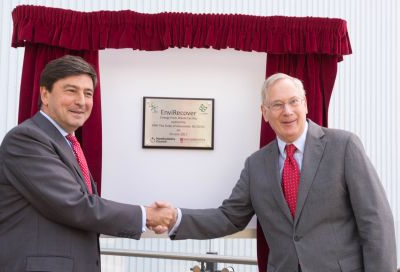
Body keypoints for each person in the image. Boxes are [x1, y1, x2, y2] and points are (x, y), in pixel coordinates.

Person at [156, 73, 397, 271]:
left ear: (305, 104)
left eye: (293, 101)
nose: (288, 111)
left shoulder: (343, 146)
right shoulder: (256, 164)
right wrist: (175, 218)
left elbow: (375, 220)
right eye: (277, 105)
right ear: (265, 112)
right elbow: (228, 217)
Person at [0, 55, 175, 271]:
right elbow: (74, 205)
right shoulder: (27, 139)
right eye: (71, 91)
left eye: (88, 93)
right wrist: (147, 216)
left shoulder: (67, 143)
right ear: (45, 94)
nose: (81, 101)